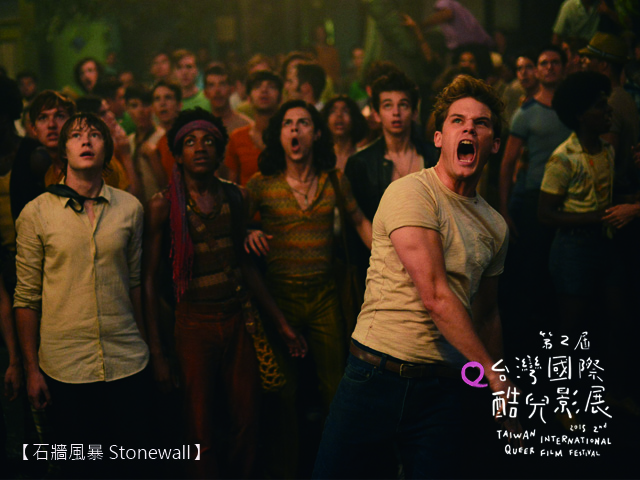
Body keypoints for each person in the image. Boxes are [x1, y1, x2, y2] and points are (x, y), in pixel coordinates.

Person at [312, 74, 519, 479]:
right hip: (376, 377)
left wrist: (497, 390)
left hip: (443, 388)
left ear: (494, 143)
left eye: (481, 123)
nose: (469, 129)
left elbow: (488, 314)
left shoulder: (495, 225)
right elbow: (435, 296)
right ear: (439, 138)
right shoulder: (411, 192)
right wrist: (494, 377)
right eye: (458, 121)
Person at [143, 107, 306, 479]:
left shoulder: (235, 197)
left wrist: (281, 324)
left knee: (248, 420)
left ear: (220, 152)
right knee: (198, 427)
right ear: (177, 153)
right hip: (192, 324)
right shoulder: (162, 205)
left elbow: (244, 265)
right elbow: (149, 280)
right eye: (190, 142)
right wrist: (157, 351)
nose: (200, 148)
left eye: (209, 141)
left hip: (236, 319)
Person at [14, 112, 150, 477]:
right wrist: (31, 370)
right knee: (80, 466)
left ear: (107, 149)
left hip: (127, 359)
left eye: (95, 135)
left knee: (129, 464)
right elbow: (26, 299)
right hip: (66, 366)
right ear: (63, 151)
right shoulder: (37, 213)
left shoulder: (130, 208)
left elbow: (135, 284)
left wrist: (151, 347)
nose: (86, 141)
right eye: (75, 136)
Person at [245, 99, 372, 478]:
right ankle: (285, 471)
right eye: (288, 124)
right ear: (279, 135)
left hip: (324, 296)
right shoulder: (261, 183)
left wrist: (394, 258)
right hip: (278, 298)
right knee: (282, 394)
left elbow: (359, 222)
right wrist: (247, 231)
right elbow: (234, 226)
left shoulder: (334, 179)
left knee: (336, 387)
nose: (295, 130)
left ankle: (336, 468)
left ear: (316, 133)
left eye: (303, 123)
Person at [345, 71, 437, 290]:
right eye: (388, 105)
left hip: (433, 262)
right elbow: (359, 221)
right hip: (383, 271)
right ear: (376, 114)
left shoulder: (433, 156)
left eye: (403, 105)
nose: (396, 112)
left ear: (414, 112)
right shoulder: (361, 164)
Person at [224, 70, 282, 186]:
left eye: (271, 87)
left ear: (280, 98)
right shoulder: (237, 137)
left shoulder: (289, 135)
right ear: (249, 99)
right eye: (257, 87)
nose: (264, 91)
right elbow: (232, 186)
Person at [125, 84, 166, 202]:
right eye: (134, 106)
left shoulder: (162, 138)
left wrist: (154, 158)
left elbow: (169, 184)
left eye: (145, 104)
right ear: (127, 109)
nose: (141, 111)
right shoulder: (129, 141)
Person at [321, 95, 368, 172]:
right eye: (333, 111)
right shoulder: (319, 159)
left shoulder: (364, 158)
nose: (339, 115)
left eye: (345, 111)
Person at [204, 64, 252, 135]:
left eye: (222, 84)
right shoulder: (201, 128)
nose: (217, 90)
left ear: (231, 90)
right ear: (205, 93)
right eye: (211, 85)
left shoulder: (246, 125)